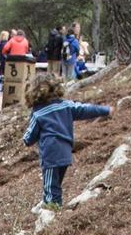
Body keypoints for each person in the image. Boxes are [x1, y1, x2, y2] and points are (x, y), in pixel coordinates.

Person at [23, 75, 112, 210]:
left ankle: (51, 209)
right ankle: (51, 203)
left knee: (50, 185)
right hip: (65, 152)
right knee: (56, 182)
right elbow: (85, 109)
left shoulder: (38, 113)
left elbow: (29, 137)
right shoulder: (66, 105)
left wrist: (26, 139)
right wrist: (105, 110)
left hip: (50, 153)